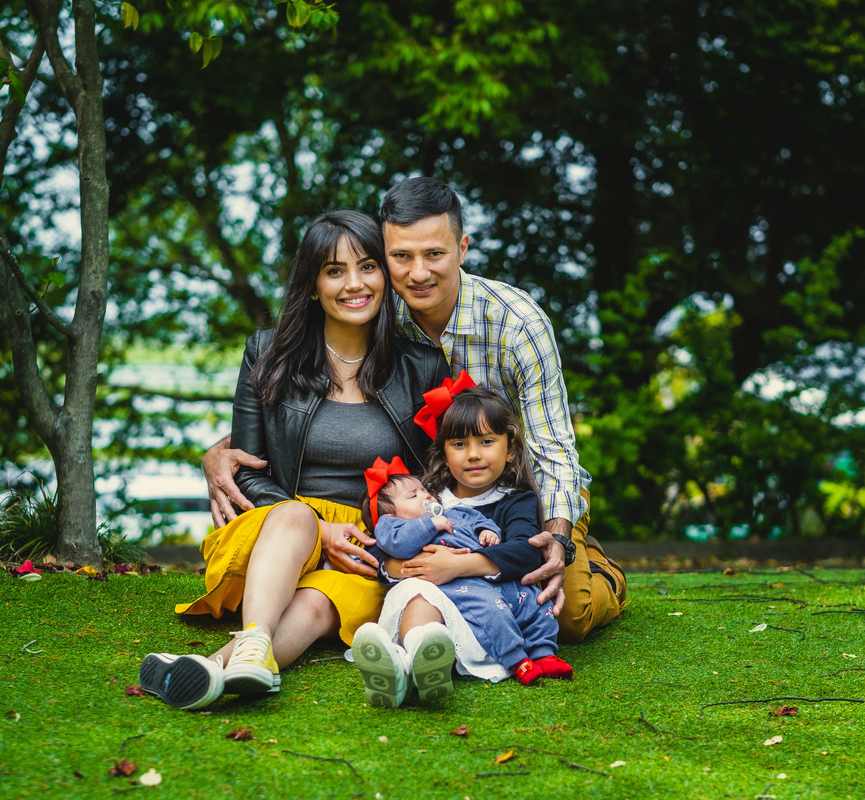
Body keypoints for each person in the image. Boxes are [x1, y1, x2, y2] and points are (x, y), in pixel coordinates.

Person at [204, 178, 626, 644]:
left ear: (462, 249)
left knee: (565, 612)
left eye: (434, 254)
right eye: (401, 256)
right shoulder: (376, 306)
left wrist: (558, 536)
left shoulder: (517, 323)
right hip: (435, 499)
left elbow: (553, 450)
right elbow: (302, 414)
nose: (418, 273)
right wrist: (222, 449)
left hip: (522, 483)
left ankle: (602, 571)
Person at [137, 209, 450, 710]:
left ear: (385, 277)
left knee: (318, 608)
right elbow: (246, 468)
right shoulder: (267, 354)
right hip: (277, 526)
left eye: (368, 266)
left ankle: (214, 672)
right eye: (334, 271)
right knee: (297, 517)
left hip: (367, 545)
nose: (354, 284)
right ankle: (248, 644)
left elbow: (437, 472)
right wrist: (319, 531)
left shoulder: (422, 365)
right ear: (312, 286)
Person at [352, 386, 572, 707]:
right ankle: (410, 661)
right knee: (420, 594)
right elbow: (379, 546)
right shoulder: (426, 498)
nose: (473, 454)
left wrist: (457, 566)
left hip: (488, 616)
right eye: (459, 444)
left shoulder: (515, 500)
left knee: (429, 595)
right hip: (433, 609)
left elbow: (526, 551)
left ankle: (417, 664)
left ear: (510, 449)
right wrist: (411, 568)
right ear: (444, 453)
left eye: (486, 442)